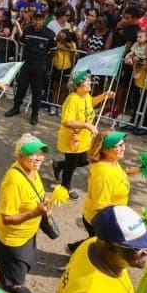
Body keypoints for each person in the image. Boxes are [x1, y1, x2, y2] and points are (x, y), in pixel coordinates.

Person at [0, 133, 51, 293]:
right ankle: (11, 283)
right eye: (33, 153)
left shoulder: (31, 170)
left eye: (40, 153)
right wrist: (36, 212)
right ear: (21, 155)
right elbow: (7, 218)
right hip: (14, 236)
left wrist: (44, 200)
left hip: (27, 231)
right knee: (20, 266)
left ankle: (3, 273)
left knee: (17, 260)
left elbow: (35, 192)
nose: (38, 158)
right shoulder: (14, 180)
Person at [67, 131, 140, 253]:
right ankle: (78, 255)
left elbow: (118, 175)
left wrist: (134, 170)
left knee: (95, 241)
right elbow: (100, 205)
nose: (123, 148)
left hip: (104, 217)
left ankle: (75, 248)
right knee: (102, 249)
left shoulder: (111, 162)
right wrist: (127, 218)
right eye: (118, 146)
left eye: (123, 144)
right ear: (105, 150)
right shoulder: (104, 174)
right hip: (101, 221)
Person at [53, 71, 112, 200]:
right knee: (72, 164)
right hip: (72, 139)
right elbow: (67, 121)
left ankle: (59, 165)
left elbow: (91, 102)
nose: (89, 83)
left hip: (84, 139)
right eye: (86, 81)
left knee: (84, 160)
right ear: (77, 86)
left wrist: (104, 96)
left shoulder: (85, 96)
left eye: (89, 80)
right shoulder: (72, 100)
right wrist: (87, 125)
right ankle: (65, 187)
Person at [5, 9, 56, 125]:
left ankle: (34, 114)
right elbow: (23, 44)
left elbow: (53, 52)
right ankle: (16, 107)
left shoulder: (49, 34)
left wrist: (44, 64)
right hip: (27, 64)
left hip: (39, 66)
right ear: (32, 20)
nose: (37, 21)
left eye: (40, 19)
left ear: (43, 20)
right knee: (21, 87)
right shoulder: (27, 31)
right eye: (35, 19)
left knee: (37, 91)